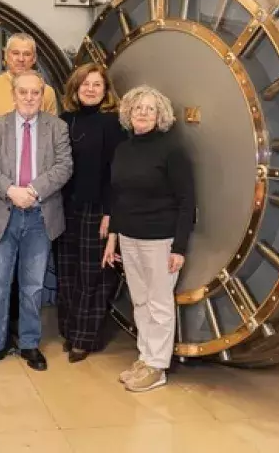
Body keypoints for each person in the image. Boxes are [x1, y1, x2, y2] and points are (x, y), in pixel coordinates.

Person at [0, 70, 72, 372]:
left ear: (42, 96)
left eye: (35, 93)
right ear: (14, 94)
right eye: (23, 92)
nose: (29, 98)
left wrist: (32, 191)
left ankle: (30, 344)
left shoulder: (57, 127)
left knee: (32, 286)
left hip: (40, 215)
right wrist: (11, 191)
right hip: (4, 213)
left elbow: (64, 166)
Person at [0, 33, 58, 342]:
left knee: (29, 274)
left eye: (27, 54)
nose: (20, 58)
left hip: (34, 195)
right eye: (15, 53)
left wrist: (32, 189)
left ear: (34, 58)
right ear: (6, 57)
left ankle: (19, 326)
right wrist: (1, 174)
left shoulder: (47, 93)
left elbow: (52, 143)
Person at [102, 85, 196, 393]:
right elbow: (117, 197)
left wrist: (179, 248)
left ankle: (157, 367)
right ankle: (145, 357)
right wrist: (113, 239)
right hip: (129, 237)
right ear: (128, 113)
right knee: (139, 300)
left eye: (150, 109)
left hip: (160, 239)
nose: (143, 113)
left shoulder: (172, 151)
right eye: (138, 108)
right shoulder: (124, 149)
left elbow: (187, 201)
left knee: (158, 303)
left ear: (161, 116)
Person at [56, 63, 126, 363]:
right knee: (67, 274)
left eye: (97, 84)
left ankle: (85, 337)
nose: (90, 89)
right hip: (63, 209)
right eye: (85, 84)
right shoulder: (64, 120)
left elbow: (117, 174)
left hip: (97, 211)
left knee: (93, 275)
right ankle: (71, 331)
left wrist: (111, 215)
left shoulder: (113, 124)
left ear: (105, 90)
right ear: (75, 87)